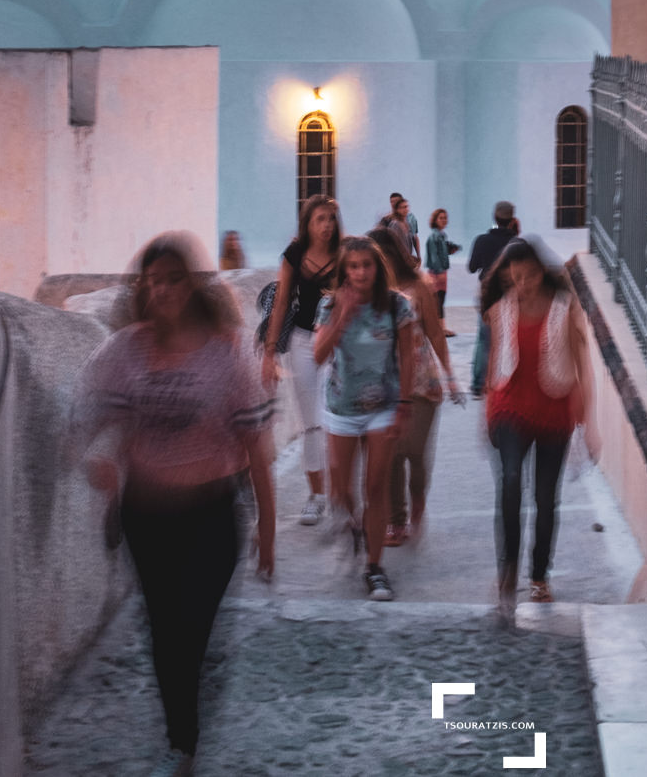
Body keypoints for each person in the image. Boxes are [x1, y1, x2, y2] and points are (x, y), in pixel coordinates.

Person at [76, 233, 275, 777]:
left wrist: (268, 530)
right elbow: (87, 420)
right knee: (165, 631)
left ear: (192, 285)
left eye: (172, 279)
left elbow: (257, 445)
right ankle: (182, 740)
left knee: (194, 629)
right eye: (152, 280)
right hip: (147, 516)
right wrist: (97, 466)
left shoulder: (226, 352)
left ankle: (187, 718)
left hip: (211, 517)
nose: (161, 290)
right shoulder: (126, 350)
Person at [483, 236, 599, 614]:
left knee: (546, 498)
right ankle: (507, 571)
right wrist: (488, 409)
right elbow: (496, 359)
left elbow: (583, 361)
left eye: (529, 275)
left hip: (554, 409)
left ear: (541, 272)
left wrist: (588, 417)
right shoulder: (500, 310)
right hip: (510, 407)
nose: (523, 284)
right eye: (515, 278)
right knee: (512, 481)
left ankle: (538, 576)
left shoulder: (565, 308)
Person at [313, 235, 415, 601]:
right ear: (344, 270)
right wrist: (342, 315)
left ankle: (374, 568)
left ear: (377, 267)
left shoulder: (396, 306)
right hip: (341, 407)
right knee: (340, 493)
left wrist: (404, 404)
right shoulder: (329, 305)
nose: (360, 272)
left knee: (375, 488)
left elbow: (408, 356)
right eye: (353, 266)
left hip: (383, 407)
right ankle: (353, 526)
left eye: (366, 265)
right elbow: (318, 355)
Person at [369, 226, 461, 545]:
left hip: (422, 381)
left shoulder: (418, 285)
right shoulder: (369, 289)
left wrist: (449, 375)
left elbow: (435, 332)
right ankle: (396, 520)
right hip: (384, 383)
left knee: (414, 452)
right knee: (391, 453)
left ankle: (417, 498)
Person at [261, 195, 342, 526]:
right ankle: (317, 496)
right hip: (302, 342)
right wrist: (268, 354)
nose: (326, 225)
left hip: (338, 343)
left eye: (331, 219)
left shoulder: (345, 253)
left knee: (338, 417)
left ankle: (343, 494)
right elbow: (280, 304)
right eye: (320, 219)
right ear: (307, 223)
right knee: (311, 421)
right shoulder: (294, 255)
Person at [468, 201, 517, 398]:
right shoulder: (516, 243)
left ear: (494, 217)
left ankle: (478, 383)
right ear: (512, 219)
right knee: (508, 338)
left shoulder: (482, 240)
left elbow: (472, 267)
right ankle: (504, 381)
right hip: (509, 293)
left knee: (483, 338)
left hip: (487, 293)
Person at [425, 208, 461, 334]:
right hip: (437, 273)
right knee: (438, 300)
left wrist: (450, 251)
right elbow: (434, 256)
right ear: (435, 220)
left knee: (439, 300)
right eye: (441, 218)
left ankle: (440, 327)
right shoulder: (435, 236)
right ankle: (440, 329)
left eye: (445, 218)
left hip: (439, 272)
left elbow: (440, 253)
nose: (444, 220)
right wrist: (438, 272)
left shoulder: (440, 236)